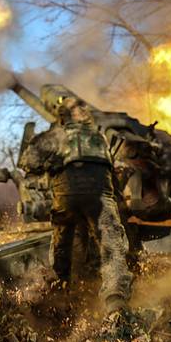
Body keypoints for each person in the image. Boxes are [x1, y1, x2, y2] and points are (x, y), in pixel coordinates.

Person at [19, 97, 133, 315]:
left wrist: (47, 163)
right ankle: (115, 299)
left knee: (63, 244)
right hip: (100, 198)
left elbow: (28, 162)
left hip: (66, 197)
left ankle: (60, 292)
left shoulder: (56, 135)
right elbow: (113, 171)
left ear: (62, 118)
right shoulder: (99, 137)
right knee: (111, 244)